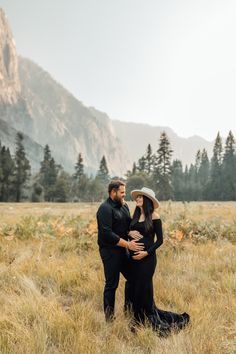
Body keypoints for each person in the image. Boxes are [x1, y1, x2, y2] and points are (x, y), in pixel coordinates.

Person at [128, 187, 190, 335]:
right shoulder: (135, 215)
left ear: (147, 200)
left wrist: (145, 253)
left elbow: (160, 240)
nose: (137, 200)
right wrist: (128, 232)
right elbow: (129, 230)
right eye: (137, 198)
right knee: (136, 289)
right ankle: (139, 320)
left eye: (140, 198)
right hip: (134, 261)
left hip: (147, 260)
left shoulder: (154, 216)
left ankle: (146, 322)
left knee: (144, 290)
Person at [96, 180, 144, 322]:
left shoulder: (124, 206)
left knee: (133, 278)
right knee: (112, 284)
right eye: (122, 193)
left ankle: (128, 310)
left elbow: (126, 224)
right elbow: (107, 234)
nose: (124, 195)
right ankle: (109, 319)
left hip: (123, 250)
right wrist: (128, 245)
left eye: (124, 192)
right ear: (113, 192)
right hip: (110, 251)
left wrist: (130, 232)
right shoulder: (104, 208)